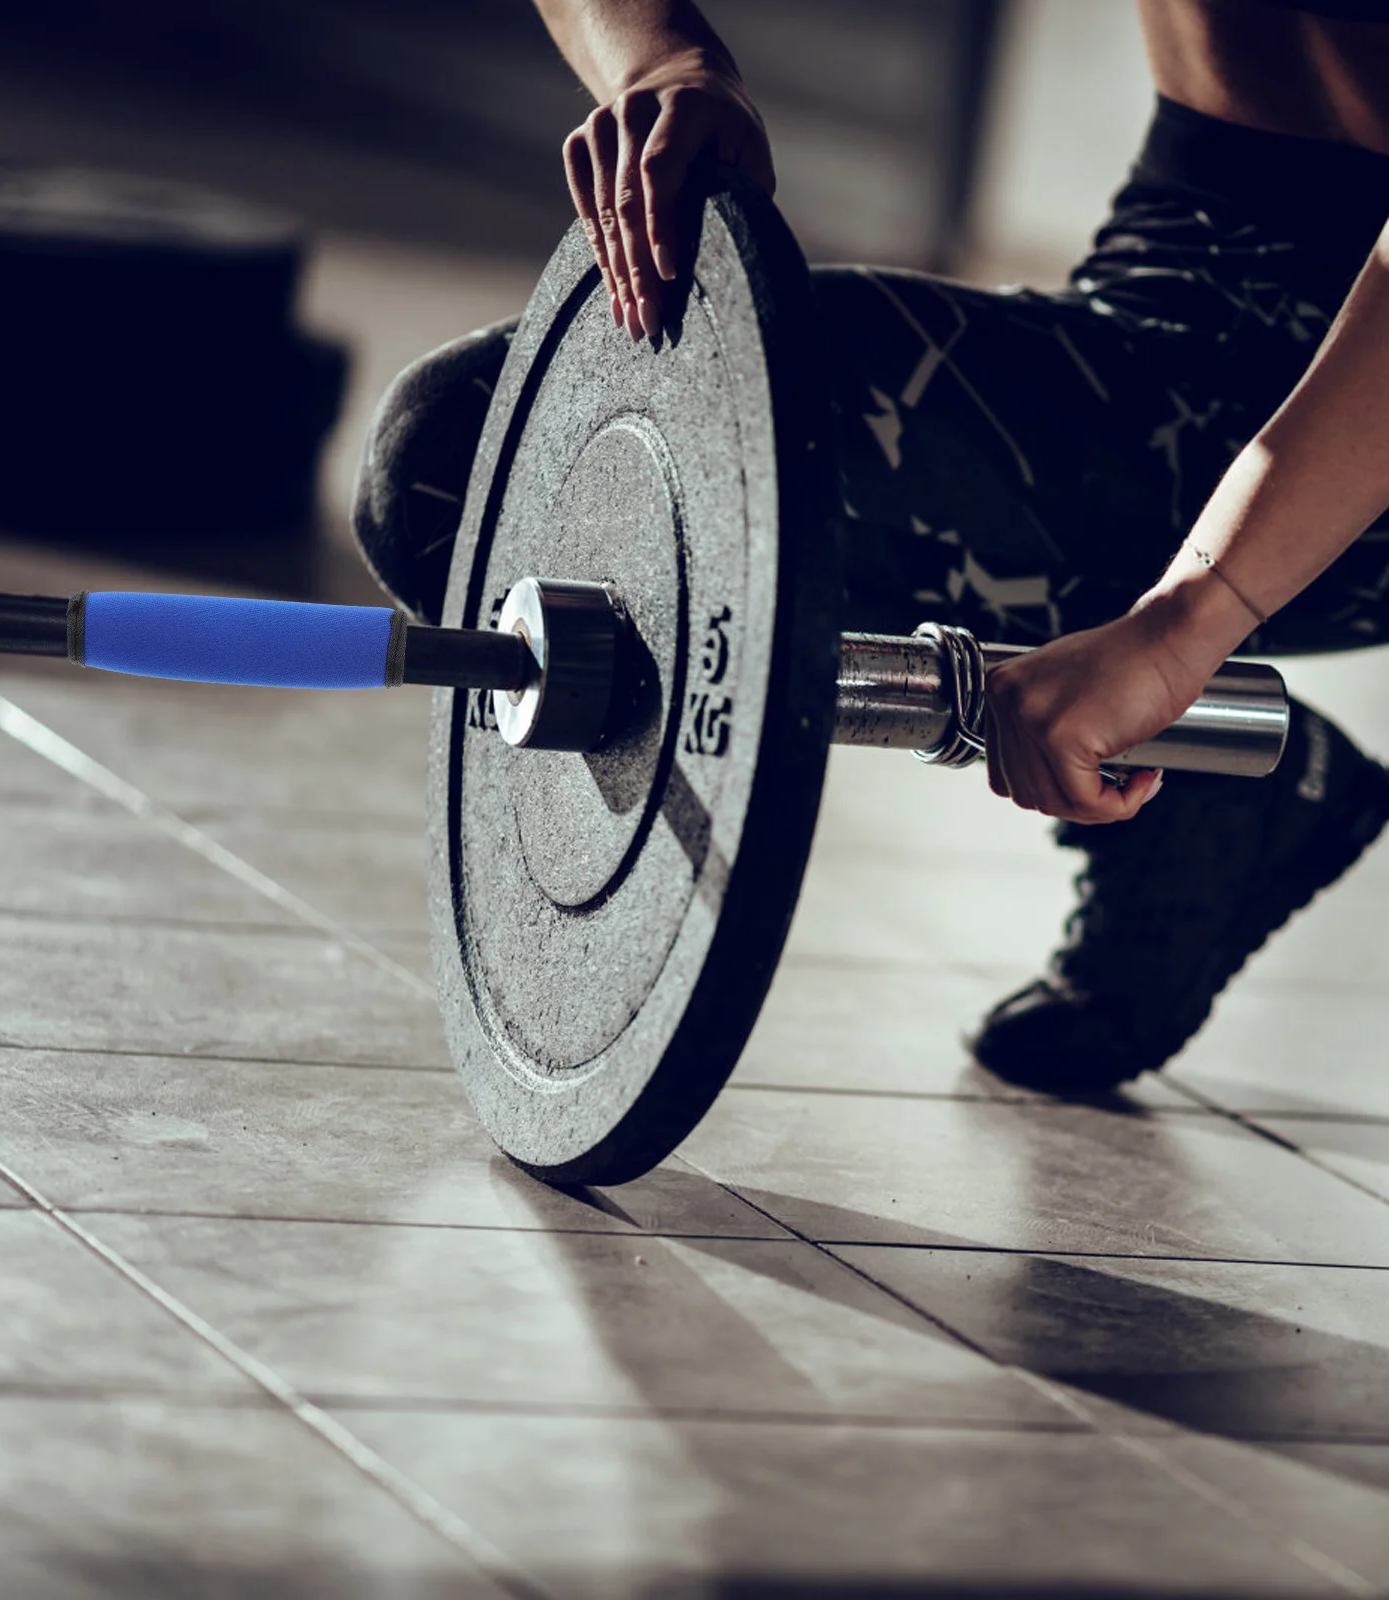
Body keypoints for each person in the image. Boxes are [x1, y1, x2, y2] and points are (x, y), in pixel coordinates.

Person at [352, 0, 1389, 1097]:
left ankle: (1184, 733)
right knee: (448, 465)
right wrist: (664, 59)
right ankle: (1204, 785)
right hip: (1186, 270)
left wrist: (1187, 623)